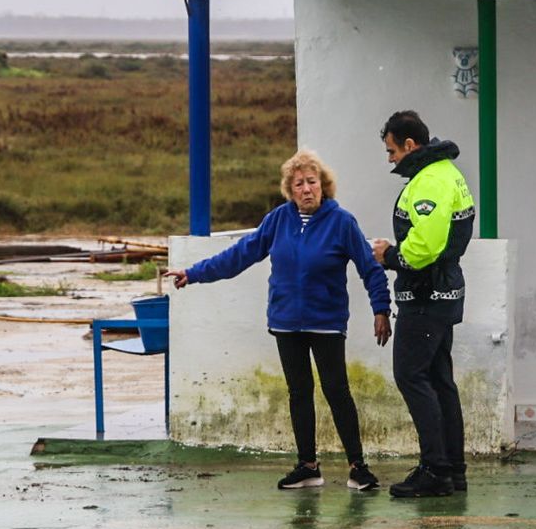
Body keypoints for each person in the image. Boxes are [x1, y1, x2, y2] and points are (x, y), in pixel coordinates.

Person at [167, 149, 392, 490]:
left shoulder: (342, 221)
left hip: (326, 322)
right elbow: (238, 256)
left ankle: (358, 467)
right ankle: (308, 466)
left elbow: (370, 268)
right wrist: (193, 273)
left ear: (323, 186)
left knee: (336, 391)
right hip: (286, 321)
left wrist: (381, 309)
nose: (306, 189)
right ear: (290, 189)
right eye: (299, 183)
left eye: (312, 182)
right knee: (298, 392)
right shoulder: (278, 220)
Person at [372, 110, 476, 499]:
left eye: (391, 150)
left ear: (410, 145)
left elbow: (427, 245)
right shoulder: (448, 173)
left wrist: (390, 256)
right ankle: (453, 470)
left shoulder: (429, 181)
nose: (390, 159)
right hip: (444, 293)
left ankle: (435, 469)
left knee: (411, 376)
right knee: (439, 381)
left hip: (425, 295)